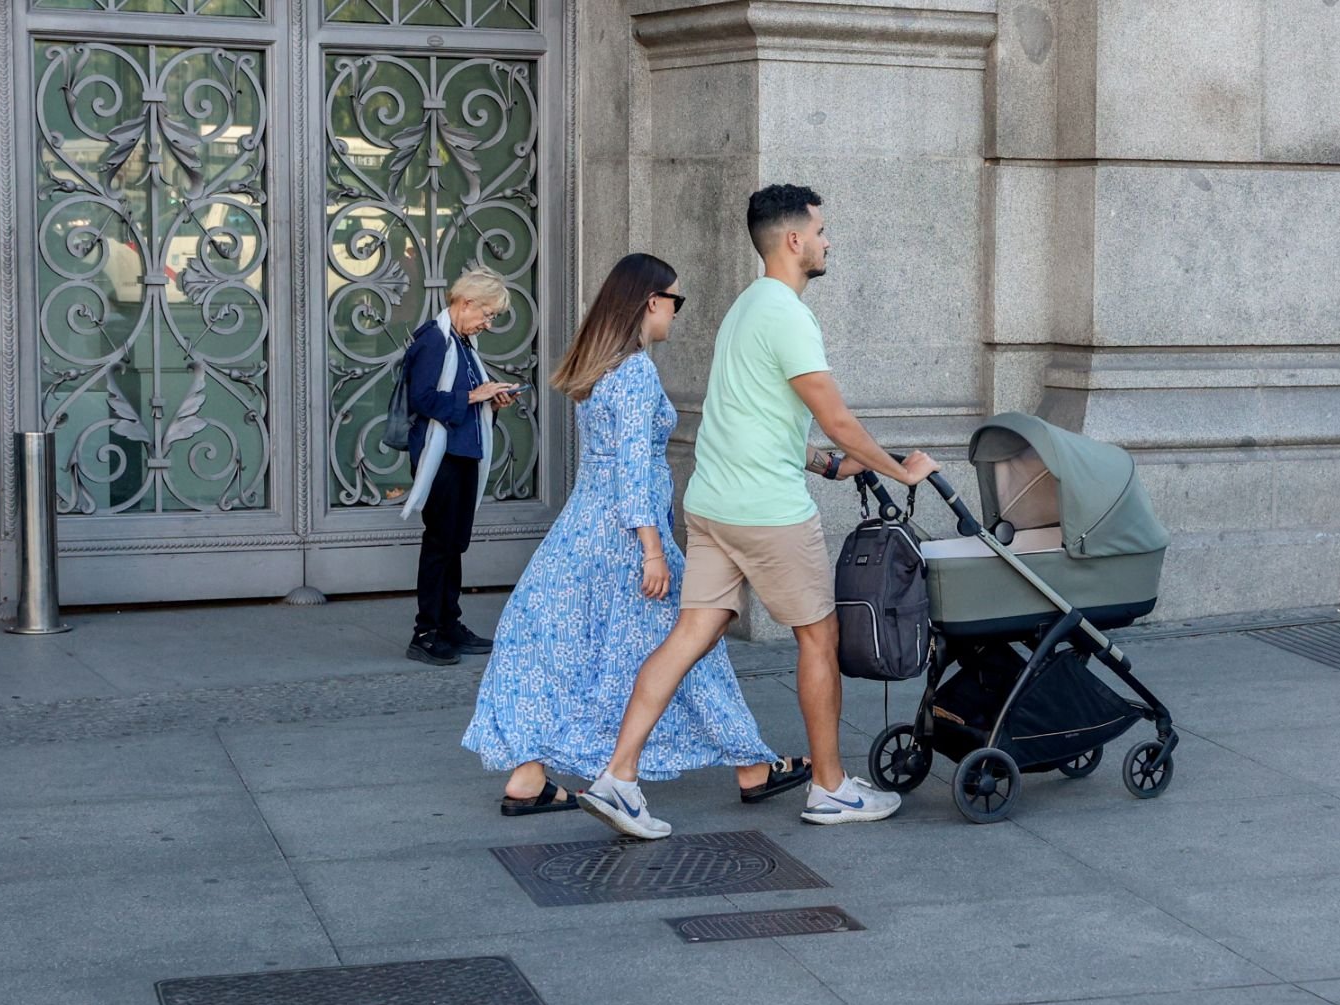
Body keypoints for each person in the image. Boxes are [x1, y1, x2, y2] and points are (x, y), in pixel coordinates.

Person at [579, 184, 939, 839]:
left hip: (714, 504)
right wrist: (898, 466)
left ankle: (618, 775)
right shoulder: (789, 316)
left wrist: (825, 464)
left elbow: (751, 416)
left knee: (690, 634)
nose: (829, 241)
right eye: (822, 230)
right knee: (818, 638)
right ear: (794, 240)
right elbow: (836, 414)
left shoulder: (747, 308)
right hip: (767, 511)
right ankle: (830, 787)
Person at [461, 253, 812, 815]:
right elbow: (629, 464)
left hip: (583, 529)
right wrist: (651, 548)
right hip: (625, 536)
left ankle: (528, 776)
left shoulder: (603, 367)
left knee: (546, 644)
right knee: (691, 649)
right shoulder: (635, 371)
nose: (678, 312)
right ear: (651, 301)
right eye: (677, 300)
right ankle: (751, 767)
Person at [400, 266, 520, 667]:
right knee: (440, 544)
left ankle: (449, 623)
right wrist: (475, 396)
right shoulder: (434, 341)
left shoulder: (461, 342)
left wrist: (491, 400)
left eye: (492, 317)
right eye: (487, 314)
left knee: (454, 543)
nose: (488, 323)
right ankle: (426, 632)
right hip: (442, 458)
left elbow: (463, 398)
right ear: (465, 302)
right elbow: (423, 400)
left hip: (463, 452)